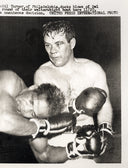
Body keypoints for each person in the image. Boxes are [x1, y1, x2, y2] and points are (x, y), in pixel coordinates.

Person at [32, 20, 113, 162]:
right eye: (48, 45)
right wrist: (75, 106)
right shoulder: (43, 73)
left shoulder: (93, 69)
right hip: (57, 140)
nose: (52, 51)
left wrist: (105, 130)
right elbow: (47, 114)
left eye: (59, 44)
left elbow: (104, 105)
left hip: (89, 138)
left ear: (72, 43)